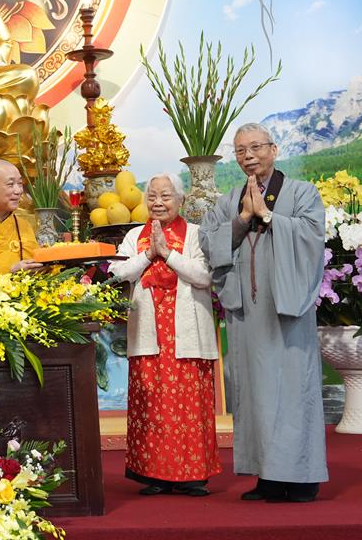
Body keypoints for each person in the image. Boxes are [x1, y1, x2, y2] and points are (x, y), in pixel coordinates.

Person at [199, 123, 328, 503]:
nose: (248, 156)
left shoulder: (302, 193)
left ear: (274, 149)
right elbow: (208, 241)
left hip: (287, 310)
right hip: (249, 315)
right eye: (240, 150)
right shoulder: (228, 201)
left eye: (256, 147)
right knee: (254, 393)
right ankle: (268, 477)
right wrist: (242, 219)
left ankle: (302, 477)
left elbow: (312, 235)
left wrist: (268, 216)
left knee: (293, 390)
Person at [109, 173, 221, 496]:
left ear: (181, 200)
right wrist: (148, 254)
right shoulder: (134, 236)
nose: (158, 203)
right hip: (148, 333)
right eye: (152, 197)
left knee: (189, 408)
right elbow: (118, 272)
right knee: (151, 405)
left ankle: (192, 476)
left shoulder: (196, 234)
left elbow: (204, 276)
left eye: (166, 196)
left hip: (187, 334)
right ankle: (154, 475)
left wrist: (168, 254)